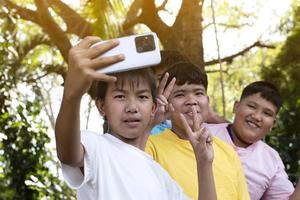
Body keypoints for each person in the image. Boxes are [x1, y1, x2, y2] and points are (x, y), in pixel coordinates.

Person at [55, 36, 217, 200]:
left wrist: (204, 164)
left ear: (153, 108)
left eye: (142, 97)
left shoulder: (161, 177)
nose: (132, 107)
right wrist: (72, 95)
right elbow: (68, 154)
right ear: (102, 106)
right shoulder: (96, 147)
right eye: (120, 96)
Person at [146, 62, 250, 200]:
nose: (191, 101)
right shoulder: (150, 147)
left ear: (207, 101)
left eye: (198, 93)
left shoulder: (228, 152)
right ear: (166, 103)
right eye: (180, 94)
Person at [207, 81, 295, 200]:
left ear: (273, 124)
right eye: (252, 106)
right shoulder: (204, 133)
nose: (257, 116)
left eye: (267, 113)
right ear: (236, 106)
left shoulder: (271, 159)